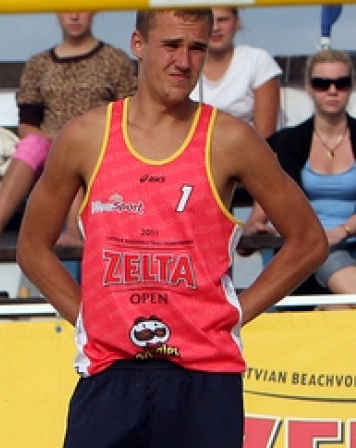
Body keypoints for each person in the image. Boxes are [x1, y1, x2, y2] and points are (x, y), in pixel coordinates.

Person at [17, 9, 327, 447]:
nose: (184, 61)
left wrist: (236, 313)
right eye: (171, 45)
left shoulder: (230, 138)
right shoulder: (87, 136)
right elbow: (31, 247)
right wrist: (87, 316)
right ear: (138, 44)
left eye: (197, 48)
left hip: (203, 375)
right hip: (112, 372)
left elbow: (309, 241)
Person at [0, 12, 137, 249]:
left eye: (81, 7)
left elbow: (128, 113)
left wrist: (81, 137)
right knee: (30, 146)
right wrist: (56, 138)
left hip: (97, 141)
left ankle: (72, 232)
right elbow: (27, 124)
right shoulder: (39, 64)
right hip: (48, 143)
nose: (75, 15)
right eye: (66, 7)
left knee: (79, 152)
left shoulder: (115, 60)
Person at [242, 49, 356, 310]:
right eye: (321, 83)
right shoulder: (288, 143)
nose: (332, 90)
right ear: (308, 87)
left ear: (350, 87)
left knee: (336, 310)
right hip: (305, 252)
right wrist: (255, 229)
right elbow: (259, 214)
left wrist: (342, 231)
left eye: (341, 83)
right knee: (319, 249)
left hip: (345, 246)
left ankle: (326, 310)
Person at [189, 7, 282, 138]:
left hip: (245, 152)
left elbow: (266, 137)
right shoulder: (185, 62)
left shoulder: (258, 60)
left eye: (222, 20)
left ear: (237, 22)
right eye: (210, 20)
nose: (215, 27)